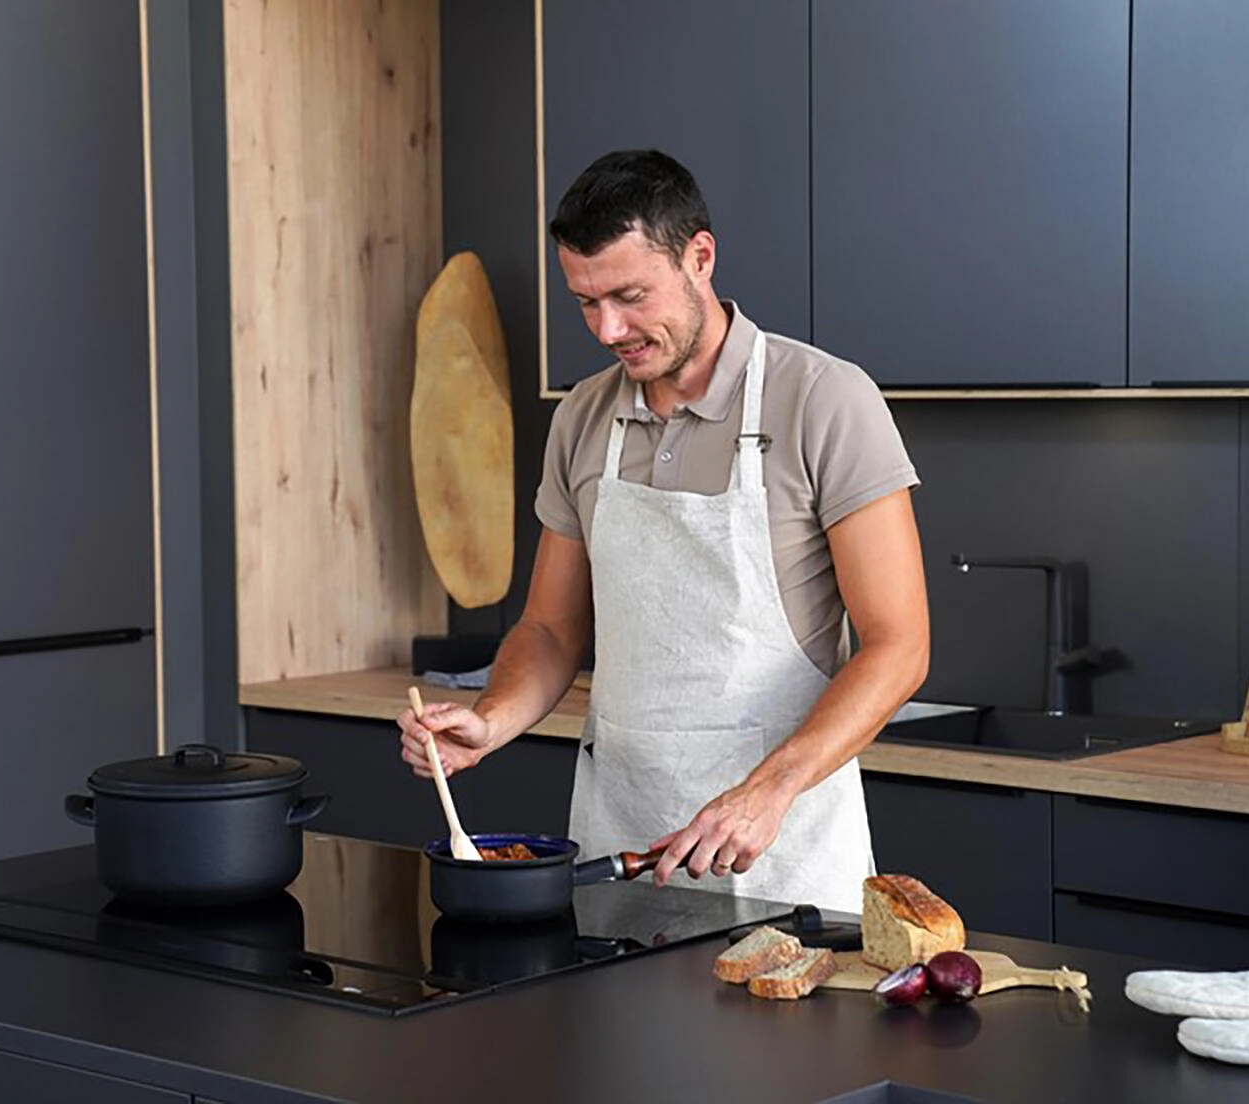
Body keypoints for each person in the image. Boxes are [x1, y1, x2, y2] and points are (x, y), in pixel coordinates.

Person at [398, 149, 929, 915]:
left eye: (630, 295)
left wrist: (769, 789)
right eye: (586, 302)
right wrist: (489, 721)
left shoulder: (824, 401)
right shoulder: (582, 418)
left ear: (700, 258)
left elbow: (900, 645)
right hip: (619, 844)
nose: (608, 328)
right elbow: (549, 628)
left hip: (779, 854)